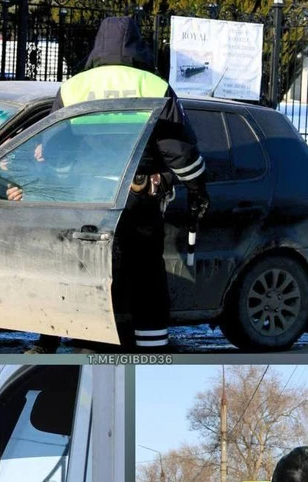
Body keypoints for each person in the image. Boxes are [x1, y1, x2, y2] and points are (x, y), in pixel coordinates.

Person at [24, 15, 210, 354]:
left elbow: (55, 145)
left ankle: (91, 344)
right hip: (137, 199)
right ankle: (150, 349)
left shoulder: (74, 87)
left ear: (98, 44)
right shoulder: (153, 86)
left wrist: (55, 169)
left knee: (90, 271)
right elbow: (178, 151)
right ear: (138, 45)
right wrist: (197, 188)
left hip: (86, 199)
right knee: (147, 276)